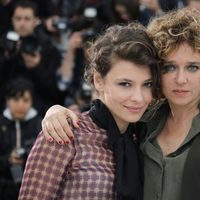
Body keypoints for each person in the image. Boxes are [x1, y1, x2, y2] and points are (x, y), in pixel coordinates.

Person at [41, 8, 200, 200]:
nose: (181, 79)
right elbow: (107, 114)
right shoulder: (143, 121)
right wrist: (55, 111)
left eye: (193, 67)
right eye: (170, 67)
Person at [18, 22, 160, 200]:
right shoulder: (65, 133)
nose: (138, 98)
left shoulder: (144, 138)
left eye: (147, 84)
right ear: (99, 80)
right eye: (125, 84)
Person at [0, 78, 41, 200]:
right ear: (7, 100)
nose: (20, 105)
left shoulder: (40, 124)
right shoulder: (1, 123)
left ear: (32, 101)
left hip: (33, 187)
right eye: (16, 99)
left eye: (25, 100)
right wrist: (8, 160)